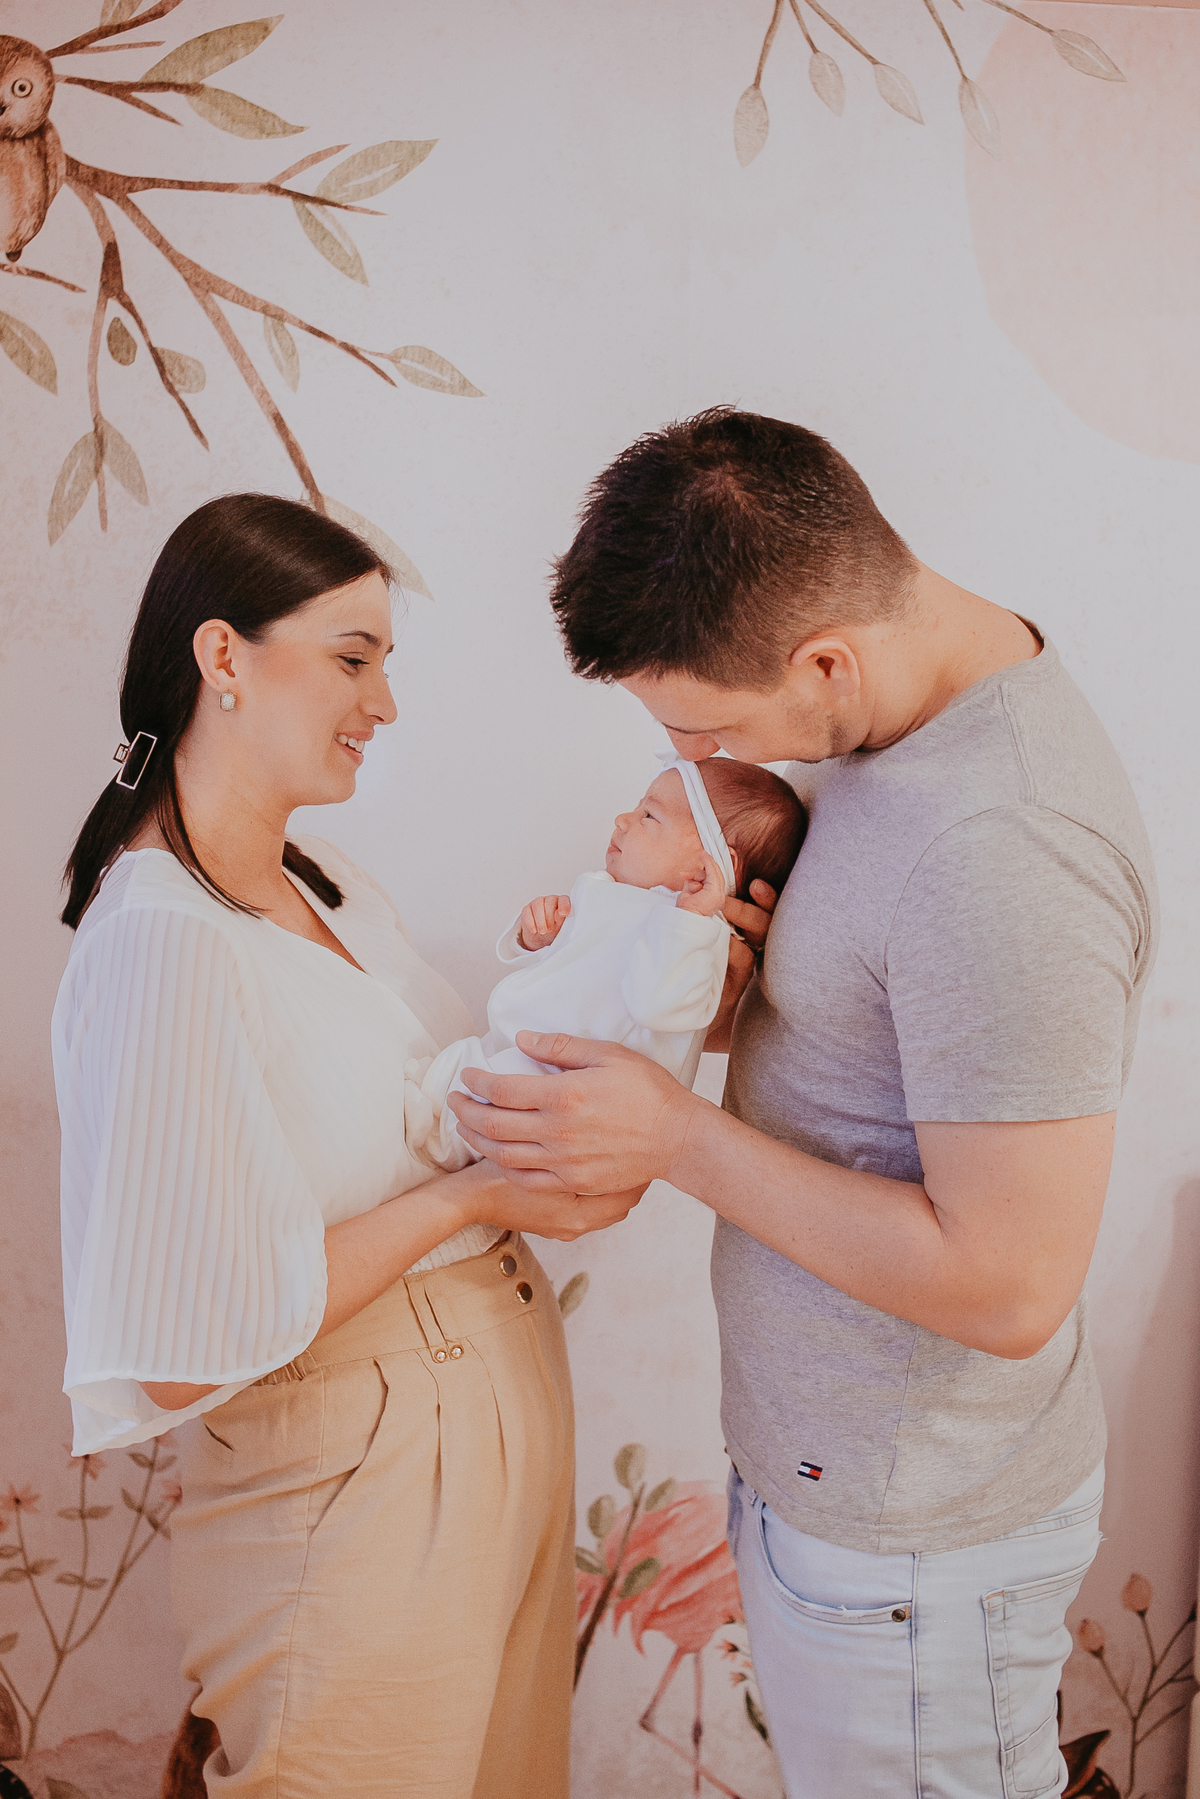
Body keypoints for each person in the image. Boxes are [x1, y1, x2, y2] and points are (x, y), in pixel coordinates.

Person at [445, 409, 1158, 1799]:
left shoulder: (1006, 844)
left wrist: (675, 1132)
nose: (695, 757)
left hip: (919, 1551)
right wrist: (737, 1001)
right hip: (842, 1497)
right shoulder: (887, 721)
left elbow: (1011, 1282)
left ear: (825, 659)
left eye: (706, 726)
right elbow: (893, 1033)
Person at [51, 494, 640, 1799]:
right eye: (353, 656)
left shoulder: (323, 880)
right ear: (223, 655)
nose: (384, 702)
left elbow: (425, 1118)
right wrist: (476, 1197)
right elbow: (183, 1344)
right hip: (360, 1469)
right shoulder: (163, 938)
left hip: (485, 1418)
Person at [404, 753, 806, 1170]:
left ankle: (425, 1138)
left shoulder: (695, 938)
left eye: (649, 816)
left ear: (710, 866)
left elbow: (659, 1003)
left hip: (564, 1091)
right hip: (512, 1049)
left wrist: (690, 921)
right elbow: (569, 962)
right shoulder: (613, 891)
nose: (622, 820)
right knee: (441, 1079)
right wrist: (536, 936)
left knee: (452, 1121)